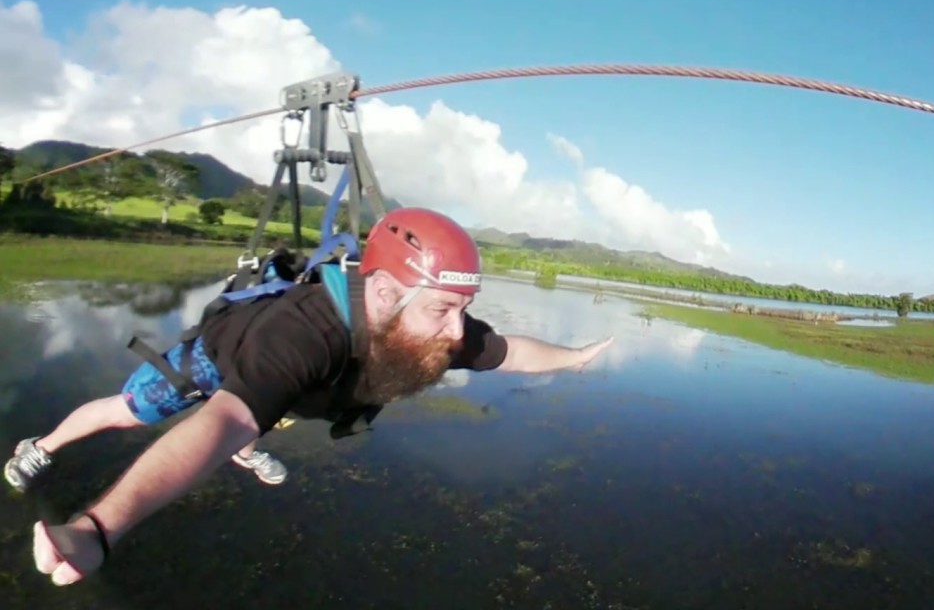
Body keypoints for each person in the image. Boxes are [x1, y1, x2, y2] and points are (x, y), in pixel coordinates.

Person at [7, 206, 614, 587]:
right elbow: (219, 424)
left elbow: (509, 351)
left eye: (464, 309)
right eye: (443, 310)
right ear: (383, 294)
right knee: (128, 412)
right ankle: (43, 444)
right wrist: (99, 528)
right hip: (217, 363)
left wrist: (577, 356)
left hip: (281, 388)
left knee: (264, 414)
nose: (457, 332)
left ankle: (251, 443)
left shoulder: (428, 321)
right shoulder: (303, 333)